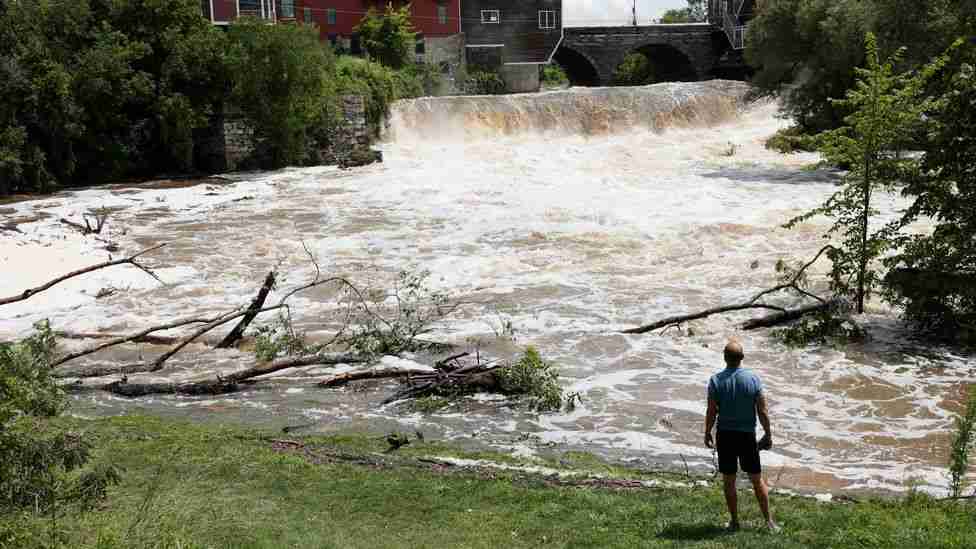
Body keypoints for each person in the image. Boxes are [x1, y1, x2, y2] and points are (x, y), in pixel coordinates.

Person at [704, 340, 779, 532]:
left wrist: (707, 431)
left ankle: (735, 522)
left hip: (725, 436)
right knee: (756, 479)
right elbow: (762, 411)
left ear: (724, 357)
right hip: (747, 436)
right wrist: (768, 434)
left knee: (729, 480)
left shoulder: (715, 381)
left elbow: (711, 411)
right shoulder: (753, 380)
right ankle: (769, 522)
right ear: (742, 358)